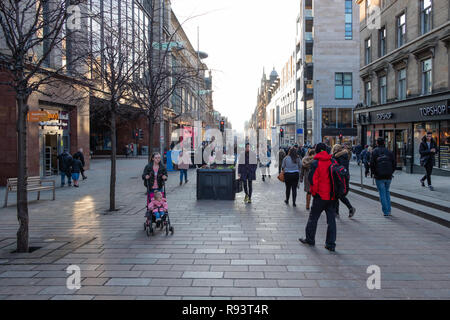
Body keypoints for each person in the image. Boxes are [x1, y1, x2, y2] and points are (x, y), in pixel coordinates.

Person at [299, 143, 337, 252]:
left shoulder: (316, 163)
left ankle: (310, 239)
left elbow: (312, 179)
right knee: (331, 220)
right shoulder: (333, 161)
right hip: (331, 196)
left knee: (313, 218)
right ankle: (331, 244)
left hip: (320, 196)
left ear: (316, 151)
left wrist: (314, 193)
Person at [370, 137, 396, 217]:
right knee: (387, 191)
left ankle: (386, 211)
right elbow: (394, 163)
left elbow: (372, 164)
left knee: (382, 193)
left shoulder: (374, 151)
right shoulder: (389, 151)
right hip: (388, 175)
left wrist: (373, 173)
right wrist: (391, 172)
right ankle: (389, 210)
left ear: (377, 143)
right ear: (384, 142)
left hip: (379, 175)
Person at [331, 144, 356, 218]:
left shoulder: (336, 156)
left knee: (338, 195)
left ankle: (343, 210)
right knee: (339, 195)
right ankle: (338, 212)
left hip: (338, 176)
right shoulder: (345, 155)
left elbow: (335, 167)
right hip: (345, 176)